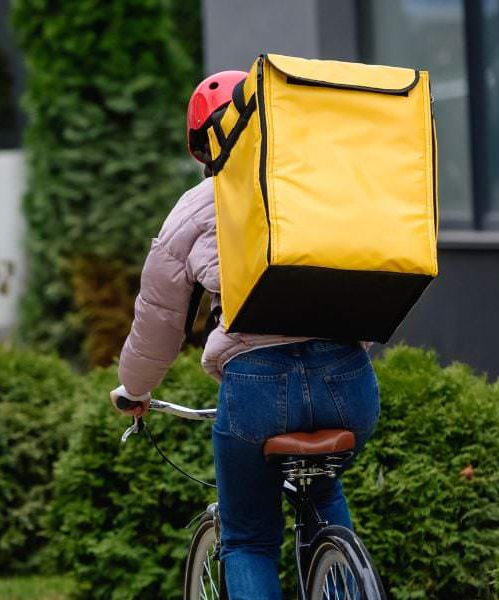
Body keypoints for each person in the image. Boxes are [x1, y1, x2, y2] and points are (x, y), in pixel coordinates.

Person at [109, 71, 380, 599]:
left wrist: (135, 390)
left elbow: (158, 319)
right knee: (324, 496)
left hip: (257, 388)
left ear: (203, 147)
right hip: (349, 383)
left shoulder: (198, 204)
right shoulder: (318, 185)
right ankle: (341, 568)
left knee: (250, 539)